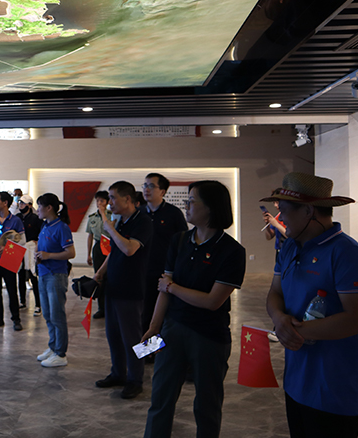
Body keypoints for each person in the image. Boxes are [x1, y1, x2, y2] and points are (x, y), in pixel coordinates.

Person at [265, 172, 358, 438]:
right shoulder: (290, 247)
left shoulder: (347, 253)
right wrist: (279, 318)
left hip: (335, 389)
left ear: (308, 211)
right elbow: (275, 293)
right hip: (297, 382)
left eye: (285, 211)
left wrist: (294, 331)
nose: (280, 219)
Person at [142, 180, 245, 438]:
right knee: (160, 397)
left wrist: (172, 287)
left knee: (208, 404)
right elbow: (163, 289)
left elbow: (212, 301)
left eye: (191, 201)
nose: (186, 206)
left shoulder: (232, 251)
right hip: (172, 328)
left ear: (210, 207)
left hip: (209, 335)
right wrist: (154, 327)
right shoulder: (179, 241)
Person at [93, 181, 152, 399]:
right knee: (113, 334)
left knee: (132, 337)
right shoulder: (121, 221)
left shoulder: (143, 221)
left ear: (128, 199)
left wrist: (108, 226)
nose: (110, 202)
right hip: (114, 285)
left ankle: (135, 379)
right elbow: (115, 251)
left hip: (131, 287)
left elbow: (128, 249)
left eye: (113, 197)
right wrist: (100, 272)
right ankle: (118, 373)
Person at [140, 173, 188, 337]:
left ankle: (161, 347)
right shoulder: (139, 213)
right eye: (145, 185)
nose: (146, 189)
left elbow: (183, 243)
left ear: (162, 191)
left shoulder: (173, 213)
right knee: (144, 314)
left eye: (151, 186)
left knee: (162, 314)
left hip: (165, 273)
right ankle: (146, 348)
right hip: (142, 271)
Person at [34, 193, 75, 368]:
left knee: (57, 315)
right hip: (43, 274)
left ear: (49, 208)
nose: (37, 210)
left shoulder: (62, 227)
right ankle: (53, 346)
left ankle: (60, 353)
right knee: (48, 314)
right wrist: (38, 256)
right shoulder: (45, 225)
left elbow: (71, 253)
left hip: (56, 276)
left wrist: (48, 255)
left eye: (39, 206)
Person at [0, 191, 25, 330]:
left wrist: (8, 247)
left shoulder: (15, 220)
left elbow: (22, 240)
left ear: (5, 203)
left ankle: (16, 319)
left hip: (9, 260)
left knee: (12, 290)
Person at [86, 190, 111, 319]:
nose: (99, 203)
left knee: (110, 277)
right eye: (97, 201)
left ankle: (110, 307)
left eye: (102, 200)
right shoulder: (92, 218)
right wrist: (88, 254)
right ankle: (101, 308)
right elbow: (90, 236)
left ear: (107, 202)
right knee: (99, 277)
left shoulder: (112, 216)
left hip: (110, 247)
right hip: (98, 247)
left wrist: (103, 213)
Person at [16, 194, 42, 315]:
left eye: (23, 203)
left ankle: (38, 304)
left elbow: (41, 232)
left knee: (33, 274)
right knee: (20, 274)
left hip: (31, 248)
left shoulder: (35, 218)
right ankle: (22, 301)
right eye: (20, 203)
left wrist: (38, 242)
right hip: (19, 247)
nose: (20, 205)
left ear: (30, 205)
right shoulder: (17, 217)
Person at [262, 194, 287, 262]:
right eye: (274, 202)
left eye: (277, 202)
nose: (275, 205)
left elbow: (290, 236)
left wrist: (276, 224)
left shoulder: (290, 217)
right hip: (279, 251)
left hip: (289, 250)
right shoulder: (277, 216)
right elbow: (269, 237)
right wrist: (267, 224)